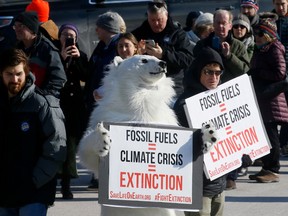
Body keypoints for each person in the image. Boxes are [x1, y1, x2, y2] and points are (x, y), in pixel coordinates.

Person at [0, 48, 66, 215]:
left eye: (19, 74)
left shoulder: (42, 104)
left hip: (34, 193)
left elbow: (56, 147)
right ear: (1, 74)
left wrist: (34, 181)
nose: (15, 79)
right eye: (9, 74)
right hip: (4, 193)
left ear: (27, 71)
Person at [194, 9, 250, 189]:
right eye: (217, 22)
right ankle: (214, 171)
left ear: (230, 24)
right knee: (212, 136)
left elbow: (245, 70)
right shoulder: (203, 45)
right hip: (209, 98)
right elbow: (194, 68)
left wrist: (228, 56)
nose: (221, 26)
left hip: (231, 99)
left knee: (231, 138)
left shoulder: (238, 46)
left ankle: (231, 175)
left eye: (224, 23)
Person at [173, 47, 226, 216]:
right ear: (198, 72)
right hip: (196, 183)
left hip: (218, 181)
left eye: (218, 73)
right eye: (208, 72)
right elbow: (178, 145)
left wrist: (242, 156)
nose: (214, 77)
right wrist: (201, 140)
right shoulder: (184, 104)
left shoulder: (223, 100)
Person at [83, 11, 126, 190]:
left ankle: (106, 177)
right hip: (98, 101)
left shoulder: (117, 47)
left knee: (107, 139)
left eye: (99, 27)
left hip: (110, 103)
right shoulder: (102, 46)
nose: (96, 30)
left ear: (108, 29)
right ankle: (98, 175)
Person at [248, 12, 288, 183]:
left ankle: (273, 169)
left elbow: (280, 73)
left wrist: (259, 73)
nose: (255, 38)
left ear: (266, 35)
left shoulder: (274, 49)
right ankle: (266, 166)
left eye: (257, 35)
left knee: (271, 135)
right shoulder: (262, 50)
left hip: (272, 99)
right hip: (264, 99)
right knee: (265, 134)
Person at [132, 0, 194, 98]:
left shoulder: (177, 33)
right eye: (152, 20)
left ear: (166, 16)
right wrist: (137, 53)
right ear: (147, 18)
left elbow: (188, 59)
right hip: (145, 86)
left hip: (172, 86)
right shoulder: (138, 34)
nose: (156, 23)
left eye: (159, 20)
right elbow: (125, 58)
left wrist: (163, 55)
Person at [57, 23, 89, 199]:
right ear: (59, 37)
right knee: (58, 144)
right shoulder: (55, 55)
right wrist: (62, 58)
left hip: (75, 106)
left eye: (71, 36)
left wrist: (77, 60)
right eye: (65, 35)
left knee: (71, 145)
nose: (68, 38)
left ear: (76, 38)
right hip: (59, 104)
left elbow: (86, 76)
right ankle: (58, 179)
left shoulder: (81, 55)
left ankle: (66, 184)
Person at [13, 11, 66, 98]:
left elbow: (58, 79)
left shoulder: (48, 49)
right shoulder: (17, 49)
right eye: (15, 26)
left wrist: (42, 97)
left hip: (40, 102)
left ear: (32, 29)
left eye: (21, 26)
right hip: (20, 100)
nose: (17, 29)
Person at [272, 0, 288, 156]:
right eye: (277, 4)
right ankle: (282, 144)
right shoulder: (271, 20)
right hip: (277, 75)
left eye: (282, 3)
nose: (280, 7)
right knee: (280, 113)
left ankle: (284, 144)